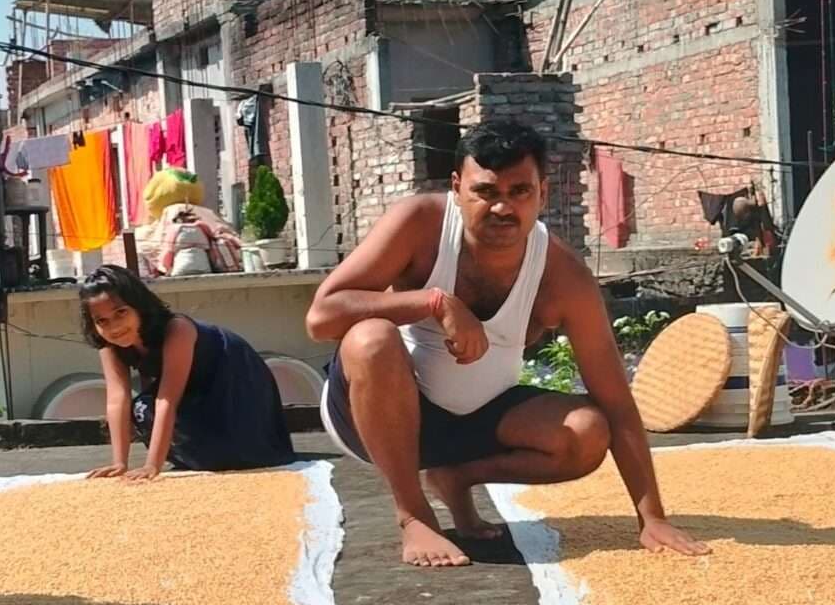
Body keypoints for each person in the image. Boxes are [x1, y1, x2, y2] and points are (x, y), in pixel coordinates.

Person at [307, 119, 708, 570]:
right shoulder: (418, 223)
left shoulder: (562, 275)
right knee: (371, 338)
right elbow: (322, 318)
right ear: (457, 188)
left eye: (519, 192)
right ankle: (413, 513)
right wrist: (433, 301)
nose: (502, 208)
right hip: (375, 416)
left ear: (543, 193)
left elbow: (616, 399)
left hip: (475, 424)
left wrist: (651, 517)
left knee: (588, 430)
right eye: (486, 192)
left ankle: (455, 478)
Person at [79, 266, 294, 477]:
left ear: (139, 306)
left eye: (121, 313)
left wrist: (152, 465)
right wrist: (119, 462)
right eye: (102, 321)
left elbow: (167, 399)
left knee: (238, 454)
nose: (114, 327)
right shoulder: (110, 345)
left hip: (235, 383)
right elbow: (117, 398)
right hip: (194, 391)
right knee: (143, 410)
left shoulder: (177, 329)